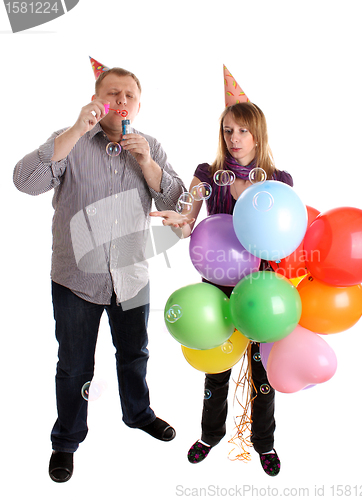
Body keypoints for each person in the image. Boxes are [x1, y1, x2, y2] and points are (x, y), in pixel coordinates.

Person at [13, 65, 186, 482]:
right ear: (97, 100)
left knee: (135, 354)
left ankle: (138, 414)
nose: (122, 100)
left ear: (139, 104)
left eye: (129, 94)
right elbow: (24, 181)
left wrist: (147, 162)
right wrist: (75, 128)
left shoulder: (151, 146)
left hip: (131, 276)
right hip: (76, 277)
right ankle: (66, 440)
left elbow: (180, 202)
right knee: (74, 365)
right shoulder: (69, 141)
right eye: (113, 93)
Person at [150, 101, 293, 477]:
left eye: (243, 130)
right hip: (216, 289)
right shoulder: (208, 174)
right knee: (216, 369)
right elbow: (187, 224)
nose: (234, 138)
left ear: (258, 133)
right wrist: (176, 220)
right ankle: (209, 436)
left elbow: (286, 237)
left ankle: (265, 443)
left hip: (262, 291)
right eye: (228, 130)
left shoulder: (278, 180)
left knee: (263, 374)